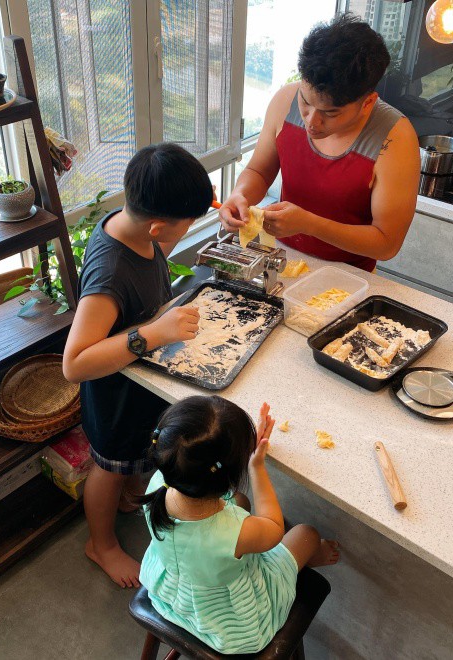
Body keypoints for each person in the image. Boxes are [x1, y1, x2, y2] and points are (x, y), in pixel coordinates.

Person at [62, 143, 212, 588]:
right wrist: (155, 333)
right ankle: (101, 545)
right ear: (158, 225)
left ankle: (131, 495)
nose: (183, 232)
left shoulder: (133, 227)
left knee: (136, 460)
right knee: (109, 469)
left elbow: (161, 243)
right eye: (186, 224)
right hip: (114, 397)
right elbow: (74, 363)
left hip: (138, 385)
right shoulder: (109, 274)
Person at [138, 396, 339, 655]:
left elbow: (227, 500)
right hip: (231, 626)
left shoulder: (156, 485)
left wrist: (234, 456)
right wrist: (256, 466)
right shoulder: (236, 532)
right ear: (230, 476)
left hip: (170, 596)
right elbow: (274, 527)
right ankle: (314, 555)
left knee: (240, 502)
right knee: (306, 534)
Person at [220, 14, 420, 272]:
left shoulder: (395, 139)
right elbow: (259, 171)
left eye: (330, 113)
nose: (311, 122)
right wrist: (240, 196)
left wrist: (309, 224)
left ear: (367, 102)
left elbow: (386, 244)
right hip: (282, 257)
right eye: (305, 102)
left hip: (348, 273)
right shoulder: (285, 101)